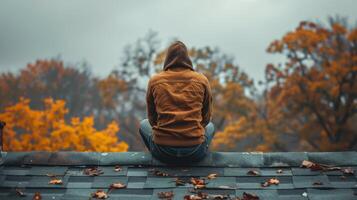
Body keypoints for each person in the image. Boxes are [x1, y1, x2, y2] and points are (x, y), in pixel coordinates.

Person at [139, 41, 215, 164]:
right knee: (210, 126)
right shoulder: (201, 80)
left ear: (167, 59)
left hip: (163, 151)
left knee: (143, 124)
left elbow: (152, 119)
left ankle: (160, 162)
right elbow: (206, 118)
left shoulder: (155, 81)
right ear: (187, 59)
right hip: (194, 151)